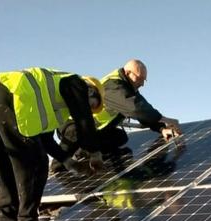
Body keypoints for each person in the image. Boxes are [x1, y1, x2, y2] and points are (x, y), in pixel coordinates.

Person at [0, 67, 105, 221]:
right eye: (93, 105)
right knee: (36, 163)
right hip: (10, 99)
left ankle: (7, 220)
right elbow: (83, 119)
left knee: (7, 167)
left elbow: (46, 140)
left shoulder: (51, 106)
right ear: (91, 91)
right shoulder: (75, 83)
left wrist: (69, 162)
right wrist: (95, 153)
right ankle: (28, 220)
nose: (91, 110)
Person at [50, 59, 181, 173]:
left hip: (96, 130)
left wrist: (161, 128)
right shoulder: (113, 86)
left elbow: (143, 110)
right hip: (74, 125)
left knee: (120, 137)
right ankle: (56, 168)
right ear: (128, 73)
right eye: (140, 78)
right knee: (74, 136)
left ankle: (86, 151)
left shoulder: (129, 88)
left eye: (144, 80)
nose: (142, 83)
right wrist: (164, 119)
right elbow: (136, 109)